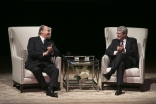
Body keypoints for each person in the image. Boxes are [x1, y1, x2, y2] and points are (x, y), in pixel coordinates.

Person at [25, 25, 60, 98]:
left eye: (49, 31)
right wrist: (44, 53)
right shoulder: (33, 40)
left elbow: (58, 53)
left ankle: (51, 89)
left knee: (55, 70)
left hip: (46, 63)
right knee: (36, 69)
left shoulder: (50, 42)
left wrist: (52, 50)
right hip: (34, 63)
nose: (49, 32)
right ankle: (45, 87)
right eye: (48, 30)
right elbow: (31, 53)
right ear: (42, 31)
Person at [102, 26, 138, 95]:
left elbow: (134, 52)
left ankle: (110, 72)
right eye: (117, 33)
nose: (117, 35)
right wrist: (116, 52)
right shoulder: (114, 41)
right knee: (121, 63)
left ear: (124, 34)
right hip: (119, 61)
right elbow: (107, 51)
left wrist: (124, 50)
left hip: (129, 61)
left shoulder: (132, 40)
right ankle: (119, 88)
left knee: (121, 54)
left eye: (119, 33)